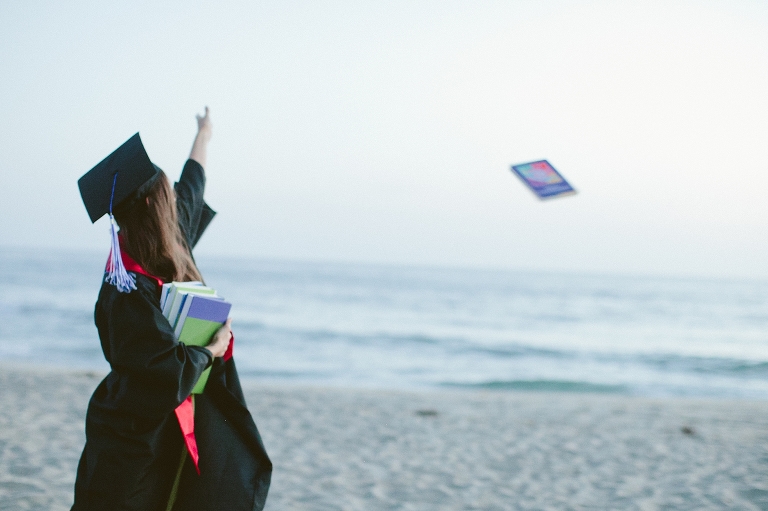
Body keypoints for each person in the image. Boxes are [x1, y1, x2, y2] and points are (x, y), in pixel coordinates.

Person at [72, 108, 271, 511]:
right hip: (138, 429)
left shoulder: (169, 240)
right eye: (166, 193)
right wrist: (212, 350)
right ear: (153, 202)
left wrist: (204, 134)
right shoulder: (127, 285)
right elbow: (164, 369)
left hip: (170, 418)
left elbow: (193, 181)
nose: (174, 198)